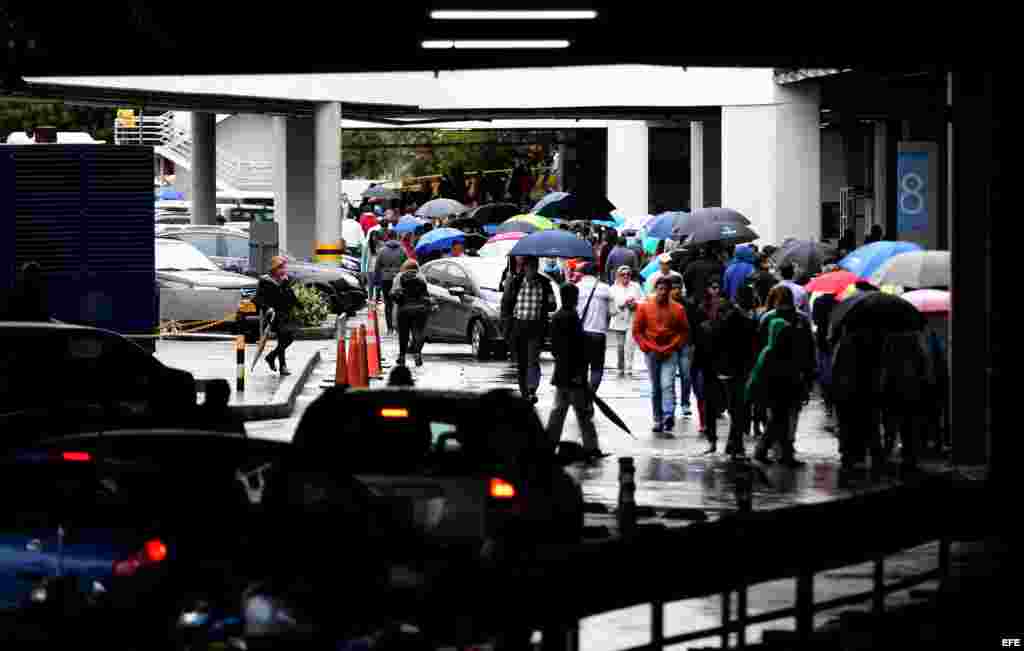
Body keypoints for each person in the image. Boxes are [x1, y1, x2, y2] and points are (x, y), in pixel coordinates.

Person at [547, 282, 602, 458]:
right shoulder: (572, 318)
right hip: (575, 376)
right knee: (583, 413)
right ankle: (591, 447)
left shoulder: (557, 317)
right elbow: (578, 349)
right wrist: (579, 373)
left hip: (561, 374)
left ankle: (548, 445)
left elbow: (555, 349)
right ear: (572, 298)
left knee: (558, 413)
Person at [703, 290, 759, 456]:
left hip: (719, 371)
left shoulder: (709, 326)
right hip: (736, 371)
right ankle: (735, 443)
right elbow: (752, 350)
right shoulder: (747, 323)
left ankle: (724, 443)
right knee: (737, 409)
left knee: (718, 408)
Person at [746, 318, 806, 468]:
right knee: (777, 424)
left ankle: (781, 455)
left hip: (778, 394)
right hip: (778, 395)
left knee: (779, 424)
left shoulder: (771, 350)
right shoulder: (773, 352)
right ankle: (769, 453)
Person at [633, 276, 689, 434]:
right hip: (652, 352)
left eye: (665, 290)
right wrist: (646, 347)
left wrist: (674, 345)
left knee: (667, 384)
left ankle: (668, 414)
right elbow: (637, 331)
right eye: (660, 289)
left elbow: (684, 331)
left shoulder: (678, 309)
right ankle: (658, 419)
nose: (663, 293)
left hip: (670, 352)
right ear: (655, 290)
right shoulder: (644, 307)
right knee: (656, 388)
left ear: (670, 291)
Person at [501, 257, 557, 403]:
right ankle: (525, 393)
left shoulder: (544, 283)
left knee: (533, 360)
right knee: (521, 362)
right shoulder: (515, 282)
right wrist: (506, 328)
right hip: (518, 326)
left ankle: (532, 389)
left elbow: (552, 305)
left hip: (536, 326)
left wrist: (550, 301)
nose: (532, 269)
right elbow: (506, 305)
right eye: (530, 266)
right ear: (524, 267)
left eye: (535, 266)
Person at [686, 279, 723, 436]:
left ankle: (708, 422)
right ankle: (704, 422)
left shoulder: (724, 308)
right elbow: (693, 333)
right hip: (700, 355)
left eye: (717, 288)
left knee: (710, 391)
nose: (715, 291)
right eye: (712, 287)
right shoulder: (700, 309)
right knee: (701, 391)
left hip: (717, 356)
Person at [254, 256, 299, 376]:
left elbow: (291, 298)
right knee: (285, 338)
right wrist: (267, 308)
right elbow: (257, 299)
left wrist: (285, 284)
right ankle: (282, 366)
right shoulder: (265, 280)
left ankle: (272, 357)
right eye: (281, 267)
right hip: (273, 315)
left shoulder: (286, 280)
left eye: (284, 267)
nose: (283, 270)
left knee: (287, 338)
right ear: (274, 269)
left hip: (285, 314)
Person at [576, 262, 613, 392]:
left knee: (582, 366)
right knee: (597, 367)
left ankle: (583, 393)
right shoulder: (605, 289)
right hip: (599, 333)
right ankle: (591, 393)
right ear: (597, 273)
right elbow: (613, 311)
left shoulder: (577, 288)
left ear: (583, 273)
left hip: (581, 333)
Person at [390, 260, 433, 367]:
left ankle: (402, 357)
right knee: (417, 333)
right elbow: (425, 294)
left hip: (403, 309)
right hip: (420, 310)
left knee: (403, 334)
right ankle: (417, 353)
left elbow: (393, 293)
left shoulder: (399, 277)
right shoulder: (422, 277)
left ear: (404, 267)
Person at [609, 266, 644, 378]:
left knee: (630, 345)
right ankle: (620, 366)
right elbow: (611, 305)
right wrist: (623, 304)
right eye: (623, 274)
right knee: (620, 346)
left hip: (632, 319)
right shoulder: (613, 288)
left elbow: (643, 300)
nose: (626, 276)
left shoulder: (636, 286)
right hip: (619, 320)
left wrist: (635, 303)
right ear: (618, 276)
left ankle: (629, 367)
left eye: (628, 274)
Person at [375, 231, 407, 336]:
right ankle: (399, 327)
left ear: (387, 237)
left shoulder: (382, 251)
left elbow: (377, 267)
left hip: (386, 279)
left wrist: (377, 282)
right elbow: (407, 265)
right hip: (399, 279)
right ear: (397, 237)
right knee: (399, 303)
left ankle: (389, 328)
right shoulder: (402, 250)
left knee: (388, 304)